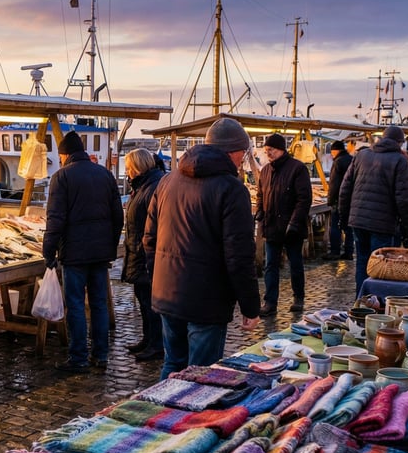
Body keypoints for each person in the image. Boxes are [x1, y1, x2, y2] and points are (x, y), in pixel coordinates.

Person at [143, 117, 261, 379]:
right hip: (207, 301)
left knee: (173, 364)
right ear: (233, 151)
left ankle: (160, 417)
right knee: (201, 376)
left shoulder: (167, 181)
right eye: (243, 152)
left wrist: (160, 278)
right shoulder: (232, 190)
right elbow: (239, 255)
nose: (244, 158)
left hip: (168, 293)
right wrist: (251, 307)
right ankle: (189, 420)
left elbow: (149, 239)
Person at [43, 131, 124, 374]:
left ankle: (78, 357)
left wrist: (49, 251)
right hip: (100, 254)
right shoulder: (105, 174)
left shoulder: (61, 177)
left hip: (75, 254)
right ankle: (100, 355)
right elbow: (117, 217)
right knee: (99, 304)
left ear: (65, 154)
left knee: (76, 305)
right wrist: (109, 245)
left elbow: (55, 219)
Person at [337, 124, 408, 293]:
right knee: (380, 265)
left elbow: (345, 189)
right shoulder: (400, 160)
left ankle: (360, 300)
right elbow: (404, 198)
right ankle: (374, 303)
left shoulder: (362, 155)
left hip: (358, 220)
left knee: (362, 262)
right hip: (383, 223)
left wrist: (343, 217)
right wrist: (407, 229)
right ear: (399, 143)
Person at [256, 132, 312, 316]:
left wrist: (294, 223)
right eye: (266, 151)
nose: (268, 153)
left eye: (270, 150)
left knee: (295, 263)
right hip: (272, 226)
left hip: (291, 228)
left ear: (280, 149)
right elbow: (261, 195)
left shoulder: (297, 169)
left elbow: (304, 199)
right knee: (270, 265)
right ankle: (270, 302)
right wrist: (260, 213)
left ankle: (299, 298)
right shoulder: (265, 171)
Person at [121, 149, 165, 361]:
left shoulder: (153, 186)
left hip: (147, 255)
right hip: (138, 252)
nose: (127, 171)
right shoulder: (142, 185)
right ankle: (148, 339)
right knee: (143, 300)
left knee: (151, 304)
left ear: (137, 167)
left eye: (129, 167)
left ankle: (156, 344)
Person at [324, 140, 354, 260]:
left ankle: (335, 251)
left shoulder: (338, 162)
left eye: (332, 152)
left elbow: (334, 184)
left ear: (335, 151)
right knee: (348, 227)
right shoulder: (352, 159)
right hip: (351, 198)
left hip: (339, 199)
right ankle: (349, 251)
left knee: (335, 225)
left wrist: (330, 200)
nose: (331, 155)